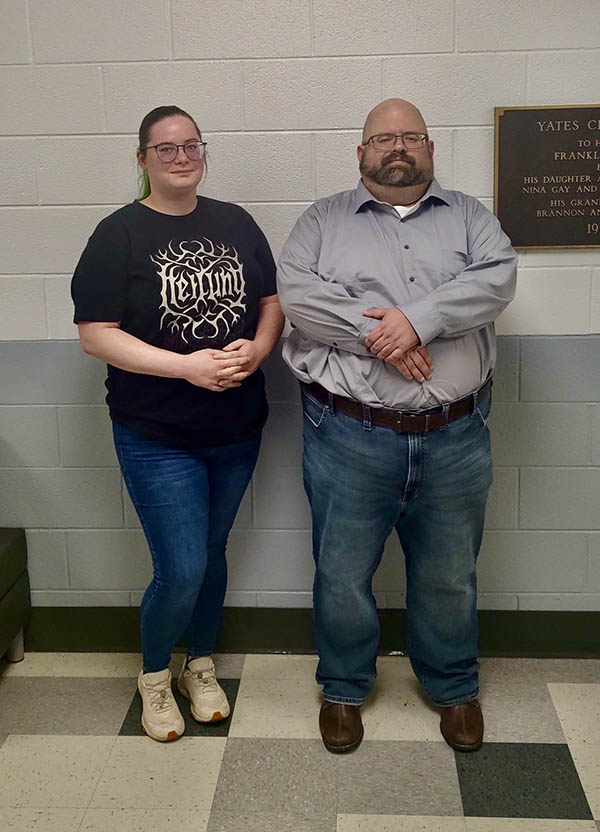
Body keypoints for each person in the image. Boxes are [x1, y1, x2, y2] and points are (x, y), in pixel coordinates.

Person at [277, 98, 517, 754]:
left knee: (449, 573)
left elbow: (497, 280)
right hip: (349, 434)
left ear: (431, 148)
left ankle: (453, 686)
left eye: (411, 136)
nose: (398, 147)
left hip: (457, 437)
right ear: (361, 153)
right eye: (383, 138)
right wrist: (384, 334)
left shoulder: (470, 217)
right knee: (343, 571)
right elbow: (298, 296)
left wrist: (422, 319)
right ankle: (344, 689)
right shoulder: (322, 221)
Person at [71, 105, 284, 742]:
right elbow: (95, 336)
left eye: (191, 145)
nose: (181, 156)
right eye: (165, 149)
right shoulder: (118, 234)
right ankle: (156, 675)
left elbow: (271, 305)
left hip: (236, 429)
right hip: (156, 436)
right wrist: (184, 367)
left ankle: (201, 663)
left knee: (213, 555)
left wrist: (260, 348)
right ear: (142, 161)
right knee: (181, 567)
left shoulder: (237, 222)